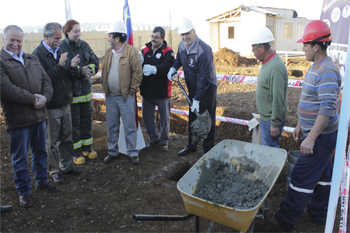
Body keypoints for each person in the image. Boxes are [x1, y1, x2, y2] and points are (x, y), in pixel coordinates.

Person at [266, 20, 342, 232]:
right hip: (318, 135)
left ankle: (284, 220)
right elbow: (313, 101)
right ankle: (319, 214)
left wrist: (311, 137)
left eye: (305, 45)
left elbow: (327, 109)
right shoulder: (316, 67)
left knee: (300, 176)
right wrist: (301, 124)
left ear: (316, 46)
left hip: (320, 138)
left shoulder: (326, 71)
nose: (302, 49)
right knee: (324, 175)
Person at [1, 25, 57, 208]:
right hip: (18, 120)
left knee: (40, 151)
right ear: (4, 40)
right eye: (12, 40)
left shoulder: (31, 58)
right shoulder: (1, 61)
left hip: (38, 116)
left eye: (19, 40)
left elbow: (47, 80)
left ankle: (41, 180)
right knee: (19, 157)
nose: (15, 44)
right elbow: (7, 90)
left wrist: (45, 97)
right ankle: (24, 191)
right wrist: (34, 99)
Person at [32, 22, 82, 184]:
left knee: (67, 137)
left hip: (65, 102)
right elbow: (42, 80)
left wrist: (72, 67)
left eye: (60, 38)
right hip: (51, 106)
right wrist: (61, 66)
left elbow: (67, 74)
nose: (59, 41)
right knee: (51, 142)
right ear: (46, 36)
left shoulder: (60, 50)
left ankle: (67, 166)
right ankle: (54, 171)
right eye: (56, 38)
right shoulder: (37, 56)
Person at [167, 17, 217, 156]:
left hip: (207, 90)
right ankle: (192, 145)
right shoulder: (182, 46)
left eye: (187, 33)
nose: (185, 37)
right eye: (182, 34)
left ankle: (208, 150)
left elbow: (204, 78)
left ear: (194, 31)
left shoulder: (204, 51)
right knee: (193, 117)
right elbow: (178, 59)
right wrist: (173, 68)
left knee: (207, 119)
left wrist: (197, 99)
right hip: (192, 88)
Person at [101, 21, 143, 165]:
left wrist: (131, 91)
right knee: (112, 126)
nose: (108, 38)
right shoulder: (108, 53)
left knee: (130, 126)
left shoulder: (131, 52)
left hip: (126, 98)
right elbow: (105, 72)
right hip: (111, 97)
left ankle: (132, 153)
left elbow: (138, 73)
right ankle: (112, 152)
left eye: (110, 36)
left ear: (117, 38)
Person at [59, 20, 99, 165]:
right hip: (72, 96)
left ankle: (87, 148)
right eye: (75, 31)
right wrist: (80, 71)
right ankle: (76, 153)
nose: (78, 34)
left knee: (86, 122)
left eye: (79, 31)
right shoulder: (62, 47)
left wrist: (90, 70)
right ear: (67, 32)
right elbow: (64, 69)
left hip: (86, 94)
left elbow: (95, 62)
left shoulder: (85, 45)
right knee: (74, 125)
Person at [250, 27, 288, 148]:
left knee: (270, 152)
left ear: (262, 48)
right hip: (267, 118)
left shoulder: (275, 67)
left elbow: (278, 98)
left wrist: (275, 124)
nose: (253, 53)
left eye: (254, 49)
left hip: (271, 120)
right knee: (267, 150)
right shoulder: (268, 63)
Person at [140, 26, 174, 152]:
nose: (153, 39)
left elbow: (167, 66)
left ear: (162, 38)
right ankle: (153, 139)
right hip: (147, 92)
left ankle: (164, 141)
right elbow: (140, 66)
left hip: (162, 92)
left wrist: (155, 69)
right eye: (152, 36)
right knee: (147, 118)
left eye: (156, 37)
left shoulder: (168, 51)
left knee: (164, 119)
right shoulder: (145, 50)